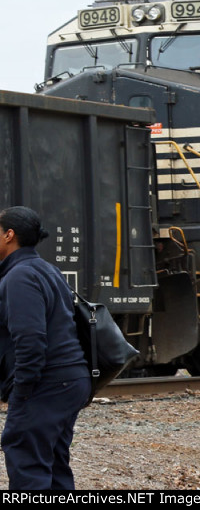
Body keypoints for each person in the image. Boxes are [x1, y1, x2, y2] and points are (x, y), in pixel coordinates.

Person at [0, 206, 90, 490]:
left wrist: (22, 392)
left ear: (8, 236)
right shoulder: (47, 269)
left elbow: (30, 339)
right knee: (53, 463)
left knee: (27, 463)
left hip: (46, 383)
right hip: (70, 380)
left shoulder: (19, 276)